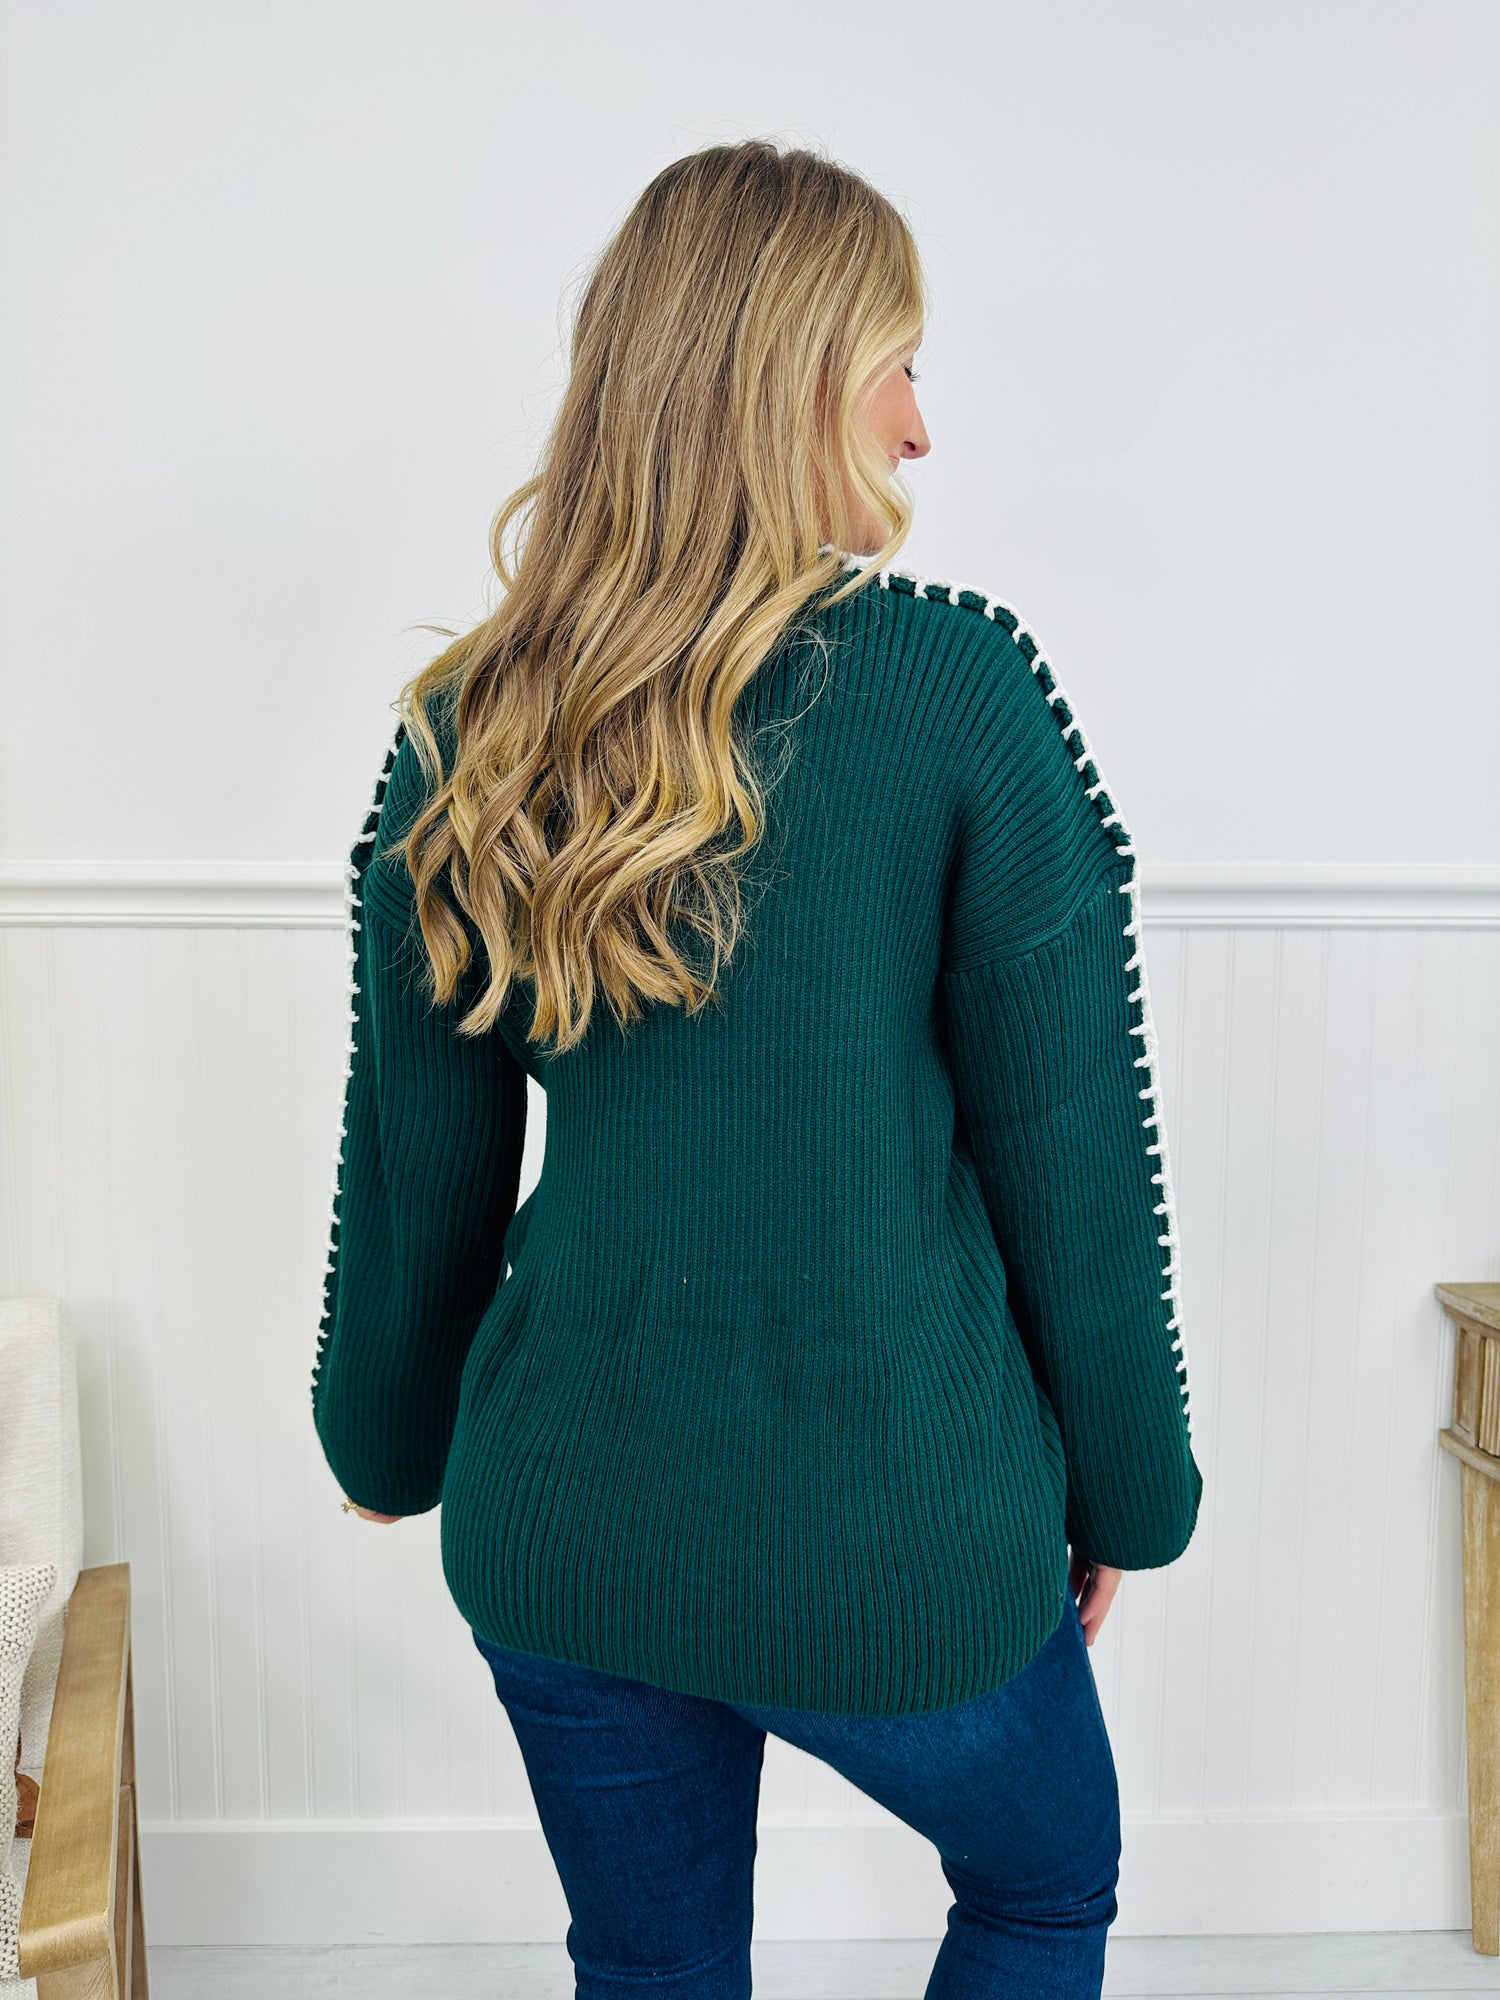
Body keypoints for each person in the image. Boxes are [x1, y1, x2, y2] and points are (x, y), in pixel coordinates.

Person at [310, 137, 1203, 2000]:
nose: (922, 428)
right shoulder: (956, 696)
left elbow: (420, 1167)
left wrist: (386, 1441)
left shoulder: (472, 728)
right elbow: (1072, 1167)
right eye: (899, 365)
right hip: (897, 1522)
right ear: (789, 377)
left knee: (650, 1970)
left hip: (566, 1521)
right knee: (1045, 1886)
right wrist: (1129, 1491)